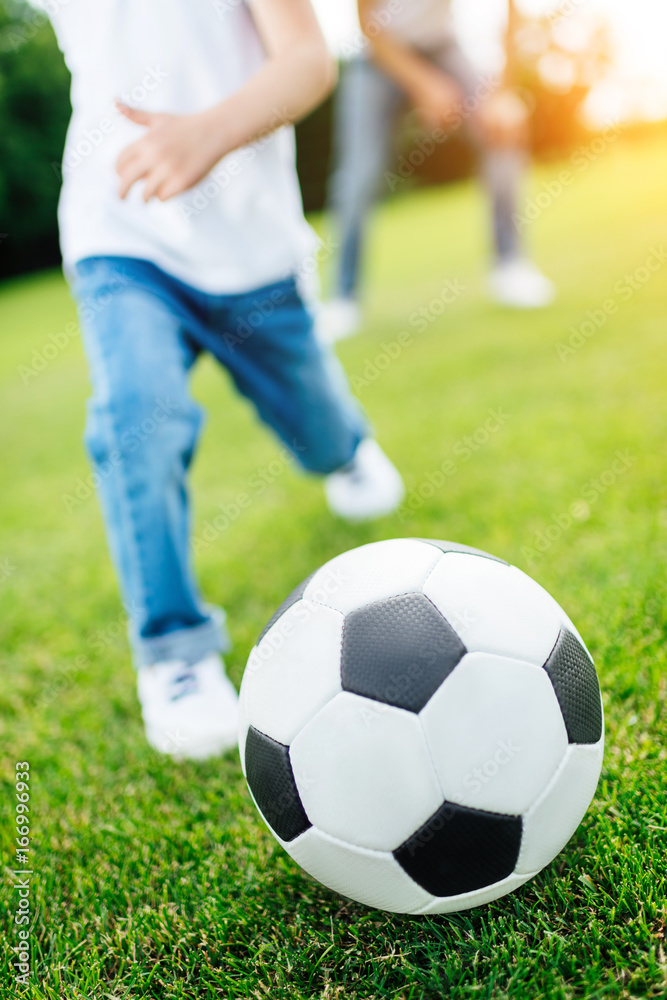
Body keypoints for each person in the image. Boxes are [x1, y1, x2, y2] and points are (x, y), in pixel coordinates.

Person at [42, 0, 404, 761]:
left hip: (252, 257)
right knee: (137, 415)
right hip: (122, 235)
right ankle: (175, 656)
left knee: (319, 428)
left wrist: (208, 130)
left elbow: (306, 59)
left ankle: (345, 449)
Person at [321, 0, 555, 342]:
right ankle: (343, 298)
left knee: (501, 132)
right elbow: (368, 22)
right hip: (378, 56)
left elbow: (510, 12)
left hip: (443, 46)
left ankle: (511, 267)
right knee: (359, 173)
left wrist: (502, 95)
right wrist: (424, 84)